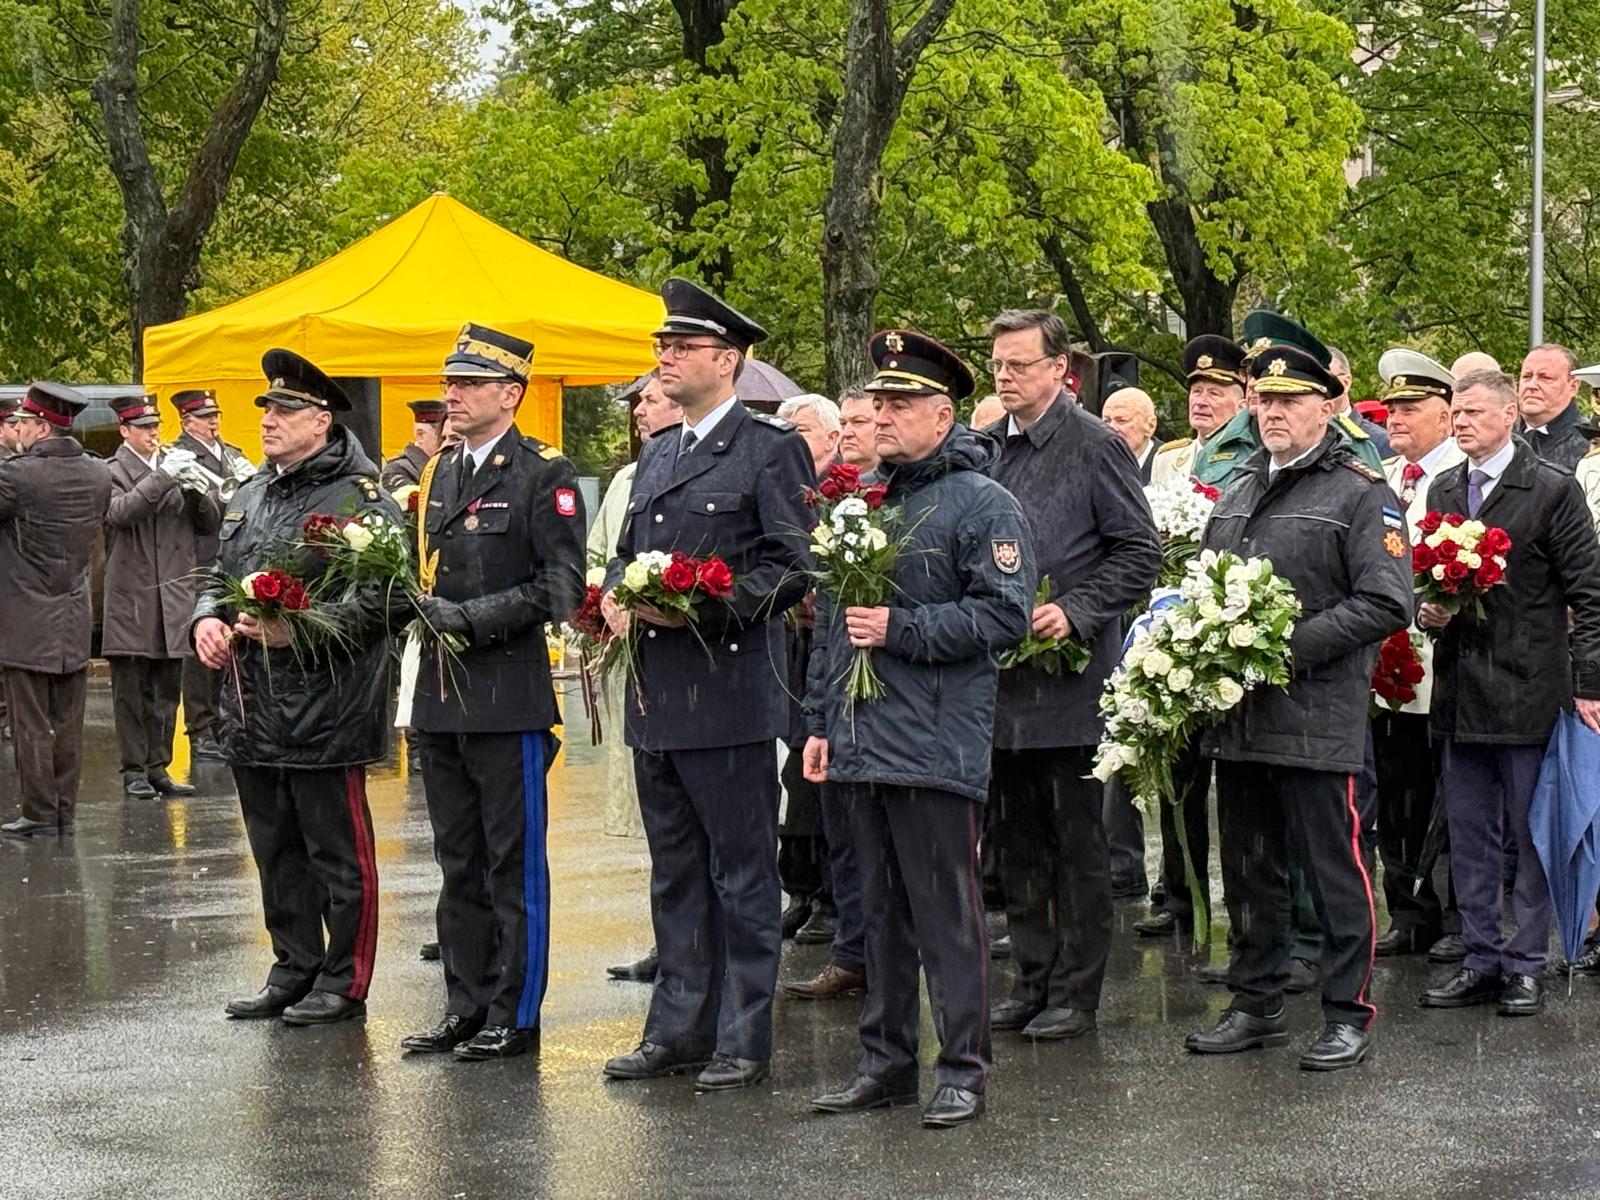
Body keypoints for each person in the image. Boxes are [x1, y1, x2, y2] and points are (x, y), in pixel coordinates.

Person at [804, 329, 1034, 1128]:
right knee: (878, 918)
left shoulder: (983, 502)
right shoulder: (863, 499)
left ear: (943, 416)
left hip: (936, 743)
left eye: (900, 404)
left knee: (946, 919)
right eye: (878, 403)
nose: (882, 416)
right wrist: (821, 720)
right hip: (863, 740)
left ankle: (963, 1069)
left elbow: (1004, 617)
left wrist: (901, 629)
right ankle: (886, 1063)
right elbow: (832, 626)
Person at [599, 280, 813, 1092]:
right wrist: (615, 594)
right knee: (676, 874)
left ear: (727, 361)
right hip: (657, 698)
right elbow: (628, 553)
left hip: (726, 696)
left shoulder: (769, 449)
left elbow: (793, 565)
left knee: (743, 875)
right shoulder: (660, 450)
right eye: (662, 346)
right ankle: (677, 1028)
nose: (665, 358)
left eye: (682, 347)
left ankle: (743, 1035)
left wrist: (702, 607)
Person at [1184, 343, 1412, 1071]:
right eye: (1266, 399)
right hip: (1240, 717)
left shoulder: (1360, 492)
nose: (1274, 412)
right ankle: (1255, 1002)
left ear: (1327, 407)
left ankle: (1348, 1012)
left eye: (1291, 400)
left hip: (1315, 715)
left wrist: (1282, 649)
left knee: (1332, 871)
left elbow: (1387, 601)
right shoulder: (1240, 487)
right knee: (1250, 868)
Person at [192, 350, 400, 1025]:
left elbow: (387, 600)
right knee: (276, 852)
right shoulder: (251, 491)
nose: (268, 420)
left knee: (337, 857)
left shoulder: (359, 498)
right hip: (252, 706)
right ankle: (293, 967)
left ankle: (344, 980)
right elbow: (217, 577)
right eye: (266, 409)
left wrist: (300, 629)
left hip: (325, 707)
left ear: (321, 420)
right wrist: (207, 620)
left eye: (284, 410)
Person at [398, 324, 586, 1061]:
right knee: (457, 863)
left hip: (507, 696)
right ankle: (464, 1004)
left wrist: (471, 618)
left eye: (469, 383)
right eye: (450, 382)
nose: (453, 394)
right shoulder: (439, 472)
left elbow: (560, 586)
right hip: (441, 697)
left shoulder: (542, 472)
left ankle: (515, 1011)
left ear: (510, 394)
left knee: (513, 865)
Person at [980, 311, 1161, 1043]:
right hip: (1001, 684)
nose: (1005, 376)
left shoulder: (1095, 445)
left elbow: (1140, 551)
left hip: (1071, 683)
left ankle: (1076, 992)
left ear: (1060, 369)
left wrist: (1076, 610)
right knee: (1016, 842)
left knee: (1076, 844)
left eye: (1019, 364)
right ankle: (1031, 978)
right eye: (998, 364)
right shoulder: (985, 447)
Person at [1418, 369, 1600, 1018]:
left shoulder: (1549, 488)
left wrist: (1589, 686)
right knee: (1469, 834)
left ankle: (1525, 963)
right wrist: (1428, 612)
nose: (1461, 421)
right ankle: (1481, 956)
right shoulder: (1444, 486)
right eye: (1456, 412)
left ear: (1507, 416)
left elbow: (1589, 593)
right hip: (1460, 691)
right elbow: (1429, 579)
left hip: (1528, 688)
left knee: (1529, 834)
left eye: (1472, 411)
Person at [1135, 334, 1251, 940]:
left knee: (1232, 782)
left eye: (1216, 390)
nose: (1201, 400)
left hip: (1227, 622)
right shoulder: (1173, 457)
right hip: (1173, 621)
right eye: (1195, 390)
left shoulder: (1251, 453)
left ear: (1242, 396)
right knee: (1175, 769)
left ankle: (1238, 911)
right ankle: (1180, 895)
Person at [1372, 351, 1464, 958]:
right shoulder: (1382, 475)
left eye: (1410, 407)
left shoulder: (1459, 476)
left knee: (1447, 797)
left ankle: (1455, 918)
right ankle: (1408, 912)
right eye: (1393, 407)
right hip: (1387, 660)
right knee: (1395, 793)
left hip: (1444, 663)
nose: (1396, 418)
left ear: (1444, 415)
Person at [786, 384, 873, 1001]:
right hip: (832, 676)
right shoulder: (831, 499)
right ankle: (851, 949)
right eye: (845, 422)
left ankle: (886, 957)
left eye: (863, 420)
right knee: (839, 824)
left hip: (891, 688)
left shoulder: (902, 497)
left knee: (880, 839)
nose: (850, 433)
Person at [0, 383, 113, 838]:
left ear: (43, 427)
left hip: (25, 619)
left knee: (30, 723)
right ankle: (65, 809)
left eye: (23, 423)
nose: (18, 430)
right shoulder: (99, 473)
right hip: (74, 614)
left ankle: (39, 813)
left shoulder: (17, 476)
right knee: (68, 722)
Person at [598, 373, 681, 985]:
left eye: (649, 399)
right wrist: (605, 596)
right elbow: (605, 555)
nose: (639, 411)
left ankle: (702, 950)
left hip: (689, 660)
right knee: (661, 826)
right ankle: (670, 942)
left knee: (701, 828)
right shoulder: (629, 476)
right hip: (632, 658)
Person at [103, 393, 222, 800]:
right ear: (124, 431)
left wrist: (197, 492)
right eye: (143, 428)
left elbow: (208, 525)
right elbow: (120, 513)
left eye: (155, 426)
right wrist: (165, 477)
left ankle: (159, 767)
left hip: (172, 595)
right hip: (132, 597)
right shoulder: (113, 471)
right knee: (131, 692)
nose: (152, 433)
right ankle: (134, 770)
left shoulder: (173, 466)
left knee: (167, 692)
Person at [774, 393, 844, 945]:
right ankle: (801, 888)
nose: (788, 439)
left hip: (833, 650)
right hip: (795, 650)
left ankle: (830, 898)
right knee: (796, 775)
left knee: (819, 778)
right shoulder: (786, 490)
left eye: (798, 430)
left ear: (832, 437)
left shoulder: (844, 493)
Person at [170, 388, 255, 763]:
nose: (214, 423)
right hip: (198, 559)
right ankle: (201, 727)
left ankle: (223, 721)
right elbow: (199, 516)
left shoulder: (232, 453)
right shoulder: (178, 456)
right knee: (200, 649)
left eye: (216, 416)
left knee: (229, 640)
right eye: (206, 418)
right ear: (187, 423)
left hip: (231, 558)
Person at [1150, 334, 1247, 488]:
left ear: (1241, 407)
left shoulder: (1250, 459)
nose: (1201, 402)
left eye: (1214, 394)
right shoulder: (1166, 459)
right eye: (1197, 391)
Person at [1516, 344, 1590, 470]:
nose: (1532, 385)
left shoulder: (1589, 442)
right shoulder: (1497, 435)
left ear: (1573, 387)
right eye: (1527, 376)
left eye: (1545, 378)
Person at [1328, 346, 1392, 457]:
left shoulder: (1382, 442)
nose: (1318, 388)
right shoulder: (1302, 438)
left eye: (1325, 380)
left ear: (1346, 383)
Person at [381, 397, 448, 489]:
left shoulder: (452, 464)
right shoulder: (398, 469)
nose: (449, 444)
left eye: (454, 438)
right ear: (420, 436)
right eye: (443, 438)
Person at [1100, 386, 1162, 483]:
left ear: (1150, 426)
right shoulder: (1095, 463)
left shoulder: (1170, 466)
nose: (1111, 428)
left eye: (1121, 420)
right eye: (1107, 421)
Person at [837, 386, 879, 470]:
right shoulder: (823, 476)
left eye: (858, 421)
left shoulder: (904, 476)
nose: (846, 433)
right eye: (843, 423)